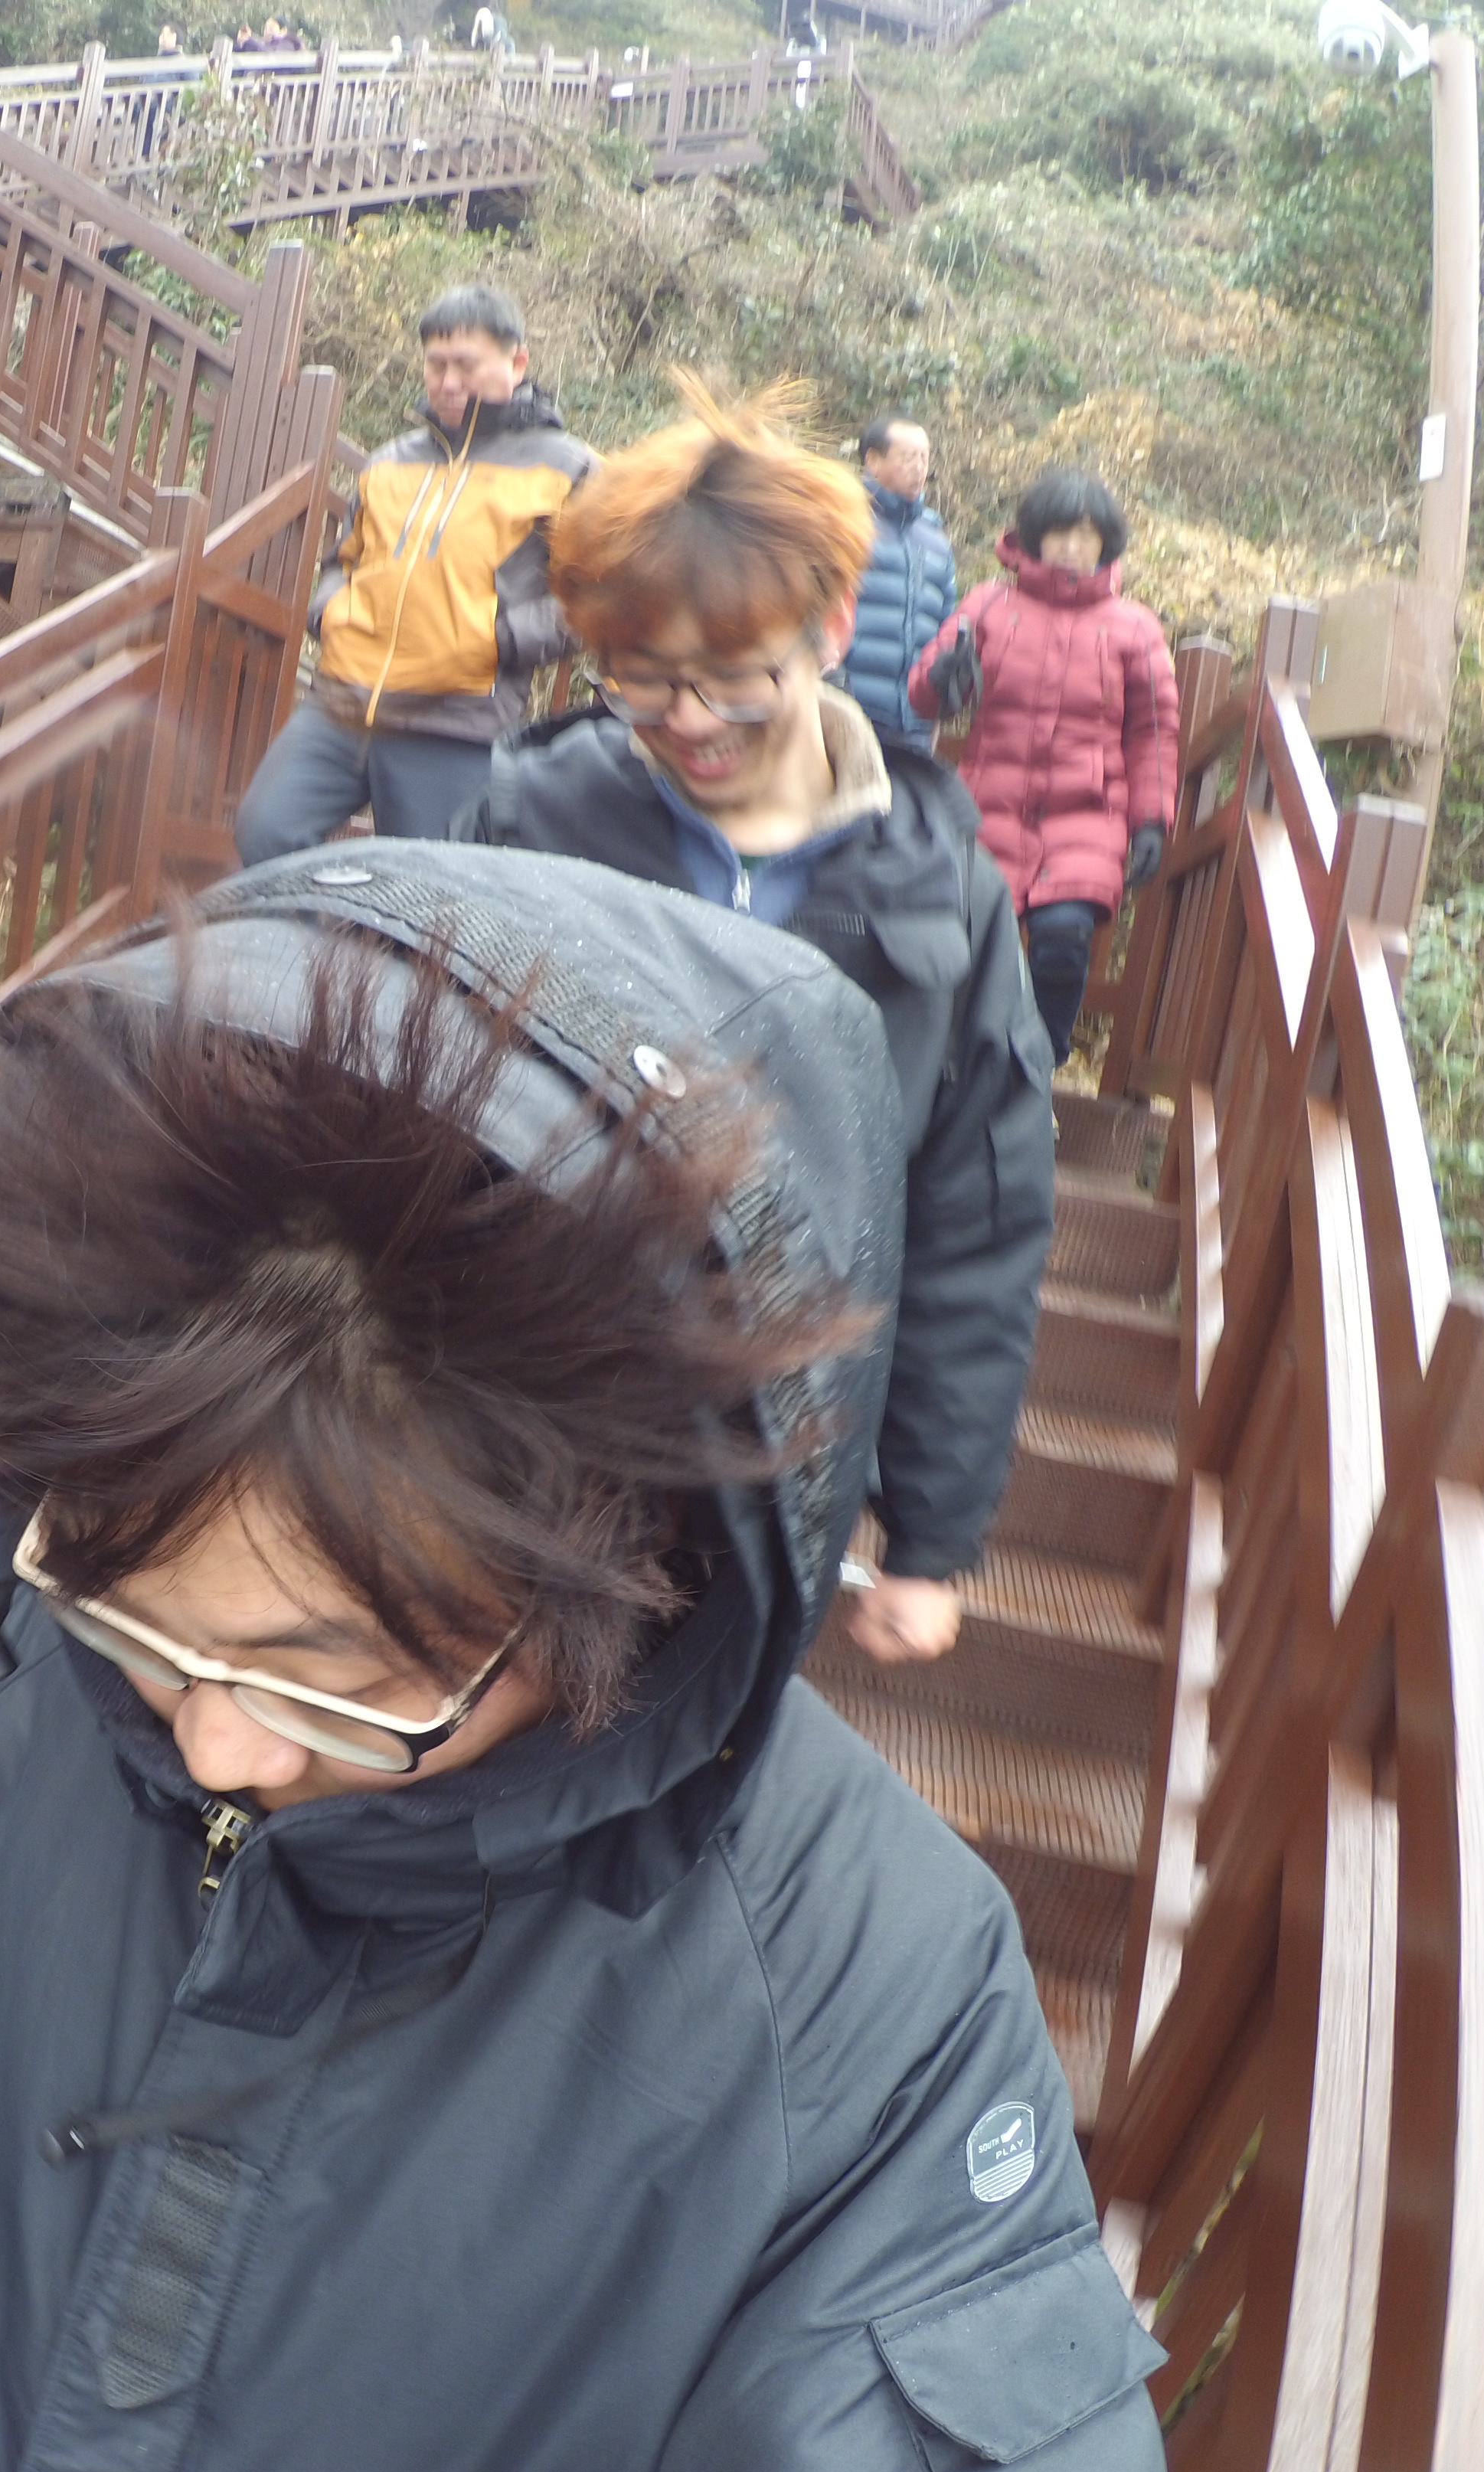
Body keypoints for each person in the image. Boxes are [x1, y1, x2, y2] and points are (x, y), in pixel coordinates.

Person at [0, 848, 1172, 2472]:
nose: (218, 1738)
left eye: (333, 1676)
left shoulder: (862, 2009)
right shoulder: (46, 1662)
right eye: (150, 1618)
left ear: (630, 1584)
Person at [456, 381, 1053, 1669]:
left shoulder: (938, 887)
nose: (687, 720)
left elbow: (975, 1216)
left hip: (773, 1458)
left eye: (734, 678)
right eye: (640, 678)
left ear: (831, 630)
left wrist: (931, 1535)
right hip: (512, 1419)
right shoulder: (528, 819)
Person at [231, 286, 597, 861]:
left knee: (425, 892)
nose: (448, 382)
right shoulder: (390, 461)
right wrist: (331, 613)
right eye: (436, 364)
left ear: (517, 362)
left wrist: (498, 641)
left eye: (466, 365)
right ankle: (323, 928)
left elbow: (596, 601)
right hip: (342, 705)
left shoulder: (568, 468)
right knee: (266, 832)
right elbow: (343, 560)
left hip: (454, 723)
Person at [909, 463, 1179, 1065]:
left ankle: (1037, 1067)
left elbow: (1153, 732)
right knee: (970, 942)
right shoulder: (989, 604)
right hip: (987, 809)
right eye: (1061, 533)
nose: (1073, 548)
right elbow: (926, 696)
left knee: (1063, 941)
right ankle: (959, 1066)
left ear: (1106, 544)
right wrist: (942, 678)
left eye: (1087, 536)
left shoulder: (1135, 628)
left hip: (1087, 814)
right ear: (1035, 536)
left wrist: (1151, 820)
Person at [836, 412, 956, 754]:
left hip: (915, 724)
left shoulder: (935, 540)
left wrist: (936, 709)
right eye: (907, 457)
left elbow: (946, 631)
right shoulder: (845, 525)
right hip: (850, 715)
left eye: (924, 458)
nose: (919, 468)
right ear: (873, 461)